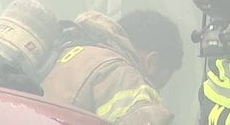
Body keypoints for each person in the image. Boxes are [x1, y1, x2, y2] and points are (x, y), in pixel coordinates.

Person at [42, 9, 183, 125]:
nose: (154, 91)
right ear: (152, 62)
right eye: (159, 84)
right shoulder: (122, 76)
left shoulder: (68, 51)